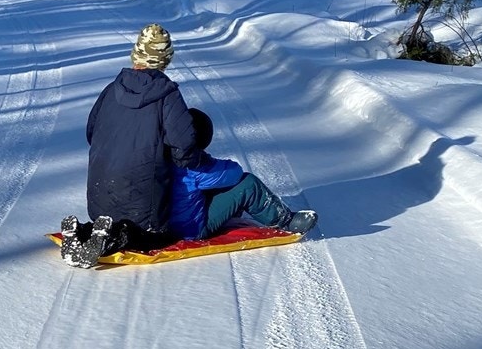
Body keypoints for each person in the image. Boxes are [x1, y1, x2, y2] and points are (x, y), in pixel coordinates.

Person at [61, 23, 200, 266]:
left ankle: (85, 231)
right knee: (152, 237)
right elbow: (184, 144)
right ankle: (114, 238)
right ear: (165, 59)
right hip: (142, 207)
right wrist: (187, 163)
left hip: (99, 197)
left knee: (110, 218)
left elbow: (91, 133)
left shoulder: (111, 89)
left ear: (136, 53)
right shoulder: (167, 95)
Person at [168, 108, 317, 240]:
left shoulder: (164, 155)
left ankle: (231, 211)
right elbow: (234, 172)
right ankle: (285, 221)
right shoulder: (193, 166)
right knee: (247, 184)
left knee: (204, 188)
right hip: (191, 229)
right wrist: (206, 160)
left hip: (168, 224)